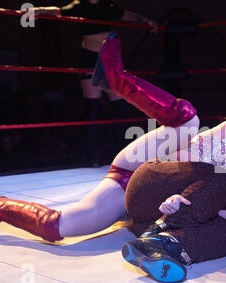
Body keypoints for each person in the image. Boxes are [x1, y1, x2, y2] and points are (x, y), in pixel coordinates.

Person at [0, 33, 226, 282]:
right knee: (187, 120)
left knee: (58, 227)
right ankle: (116, 79)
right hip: (144, 167)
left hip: (148, 200)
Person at [31, 0, 158, 165]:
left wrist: (146, 21)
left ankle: (122, 156)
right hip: (90, 58)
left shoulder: (107, 6)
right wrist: (40, 9)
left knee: (120, 108)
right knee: (93, 109)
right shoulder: (79, 6)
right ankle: (93, 157)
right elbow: (58, 11)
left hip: (110, 59)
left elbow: (128, 15)